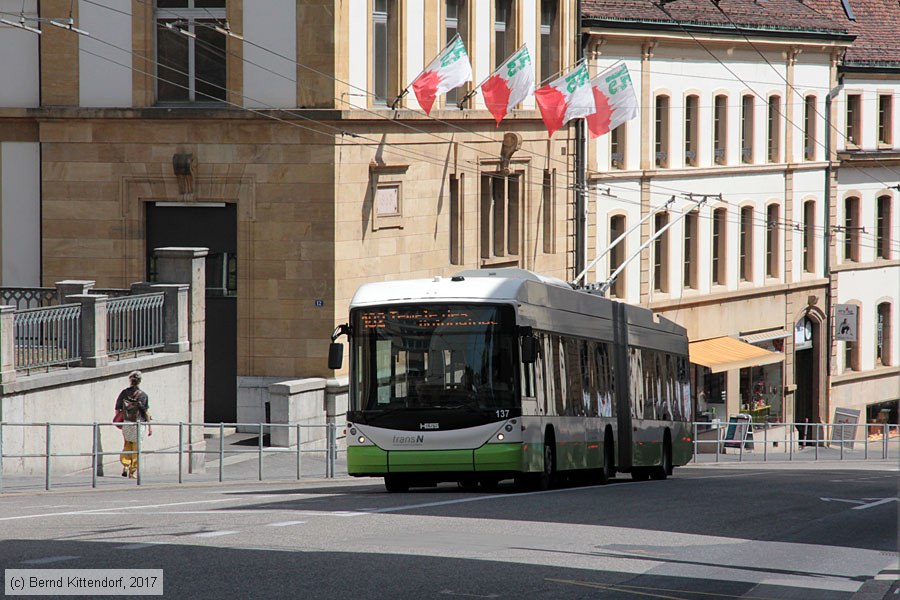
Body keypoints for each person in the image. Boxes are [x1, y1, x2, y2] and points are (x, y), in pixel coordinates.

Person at [115, 371, 152, 479]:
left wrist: (119, 420)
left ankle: (126, 465)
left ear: (130, 380)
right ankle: (132, 471)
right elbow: (146, 412)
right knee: (136, 447)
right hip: (138, 424)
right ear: (140, 381)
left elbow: (117, 408)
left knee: (127, 444)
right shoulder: (143, 395)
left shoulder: (124, 393)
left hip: (127, 423)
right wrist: (150, 427)